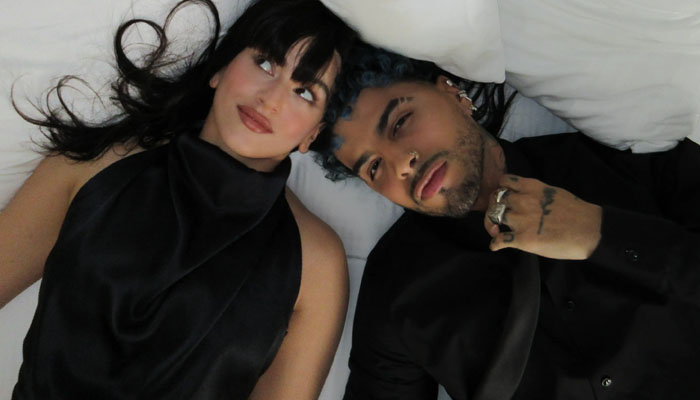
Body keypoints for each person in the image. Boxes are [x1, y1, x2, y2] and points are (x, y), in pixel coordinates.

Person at [0, 0, 357, 398]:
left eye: (304, 92)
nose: (271, 99)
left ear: (312, 134)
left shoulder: (316, 263)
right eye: (265, 63)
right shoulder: (92, 166)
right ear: (221, 69)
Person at [311, 44, 700, 399]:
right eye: (374, 168)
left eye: (400, 122)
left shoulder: (622, 158)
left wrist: (595, 232)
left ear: (453, 94)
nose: (401, 164)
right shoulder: (397, 287)